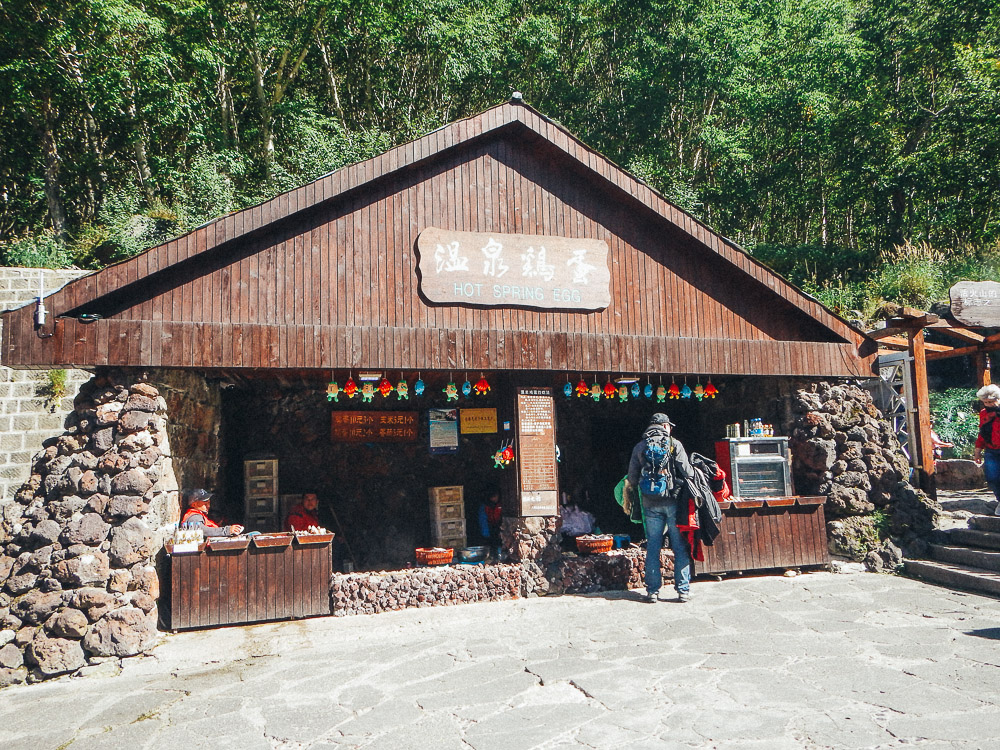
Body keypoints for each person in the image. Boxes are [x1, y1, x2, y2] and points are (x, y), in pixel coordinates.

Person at [628, 413, 697, 603]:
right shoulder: (675, 444)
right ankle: (682, 591)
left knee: (653, 546)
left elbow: (632, 479)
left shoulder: (640, 447)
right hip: (673, 504)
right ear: (664, 426)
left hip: (650, 504)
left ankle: (652, 591)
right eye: (669, 426)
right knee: (679, 546)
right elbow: (687, 471)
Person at [973, 384, 1000, 516]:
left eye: (991, 402)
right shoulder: (983, 413)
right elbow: (982, 433)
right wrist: (977, 451)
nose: (988, 405)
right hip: (991, 450)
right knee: (992, 477)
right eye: (985, 402)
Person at [478, 490, 503, 559]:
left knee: (499, 541)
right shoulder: (486, 506)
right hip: (490, 526)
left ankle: (498, 555)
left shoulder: (501, 504)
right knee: (491, 541)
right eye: (492, 497)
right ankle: (492, 555)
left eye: (495, 497)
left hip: (499, 525)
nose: (494, 499)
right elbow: (483, 519)